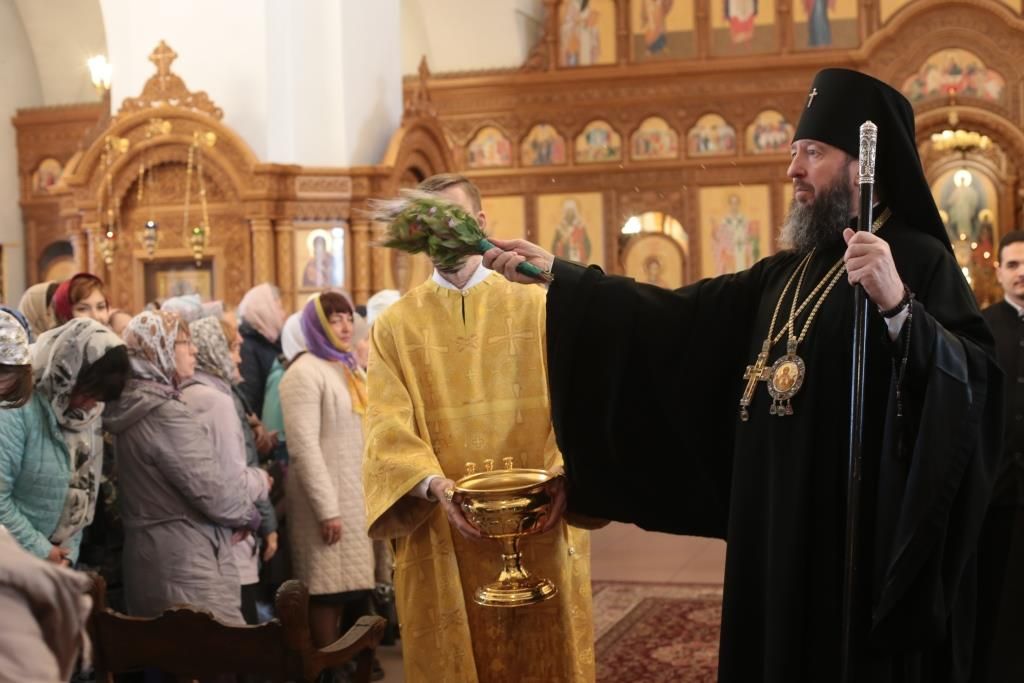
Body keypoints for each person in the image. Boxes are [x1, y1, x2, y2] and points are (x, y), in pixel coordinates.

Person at [484, 69, 1000, 682]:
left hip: (853, 540)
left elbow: (973, 387)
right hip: (773, 521)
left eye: (813, 152)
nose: (793, 169)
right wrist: (562, 276)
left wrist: (897, 308)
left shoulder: (917, 258)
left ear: (864, 166)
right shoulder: (787, 272)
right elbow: (678, 318)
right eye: (794, 152)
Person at [364, 173, 594, 683]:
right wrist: (436, 487)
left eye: (454, 220)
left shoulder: (537, 305)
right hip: (444, 526)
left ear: (481, 222)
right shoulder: (395, 326)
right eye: (429, 225)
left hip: (540, 518)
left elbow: (576, 400)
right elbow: (384, 426)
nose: (442, 236)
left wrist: (563, 475)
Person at [104, 311, 260, 624]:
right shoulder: (164, 412)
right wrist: (249, 514)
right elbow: (211, 488)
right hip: (186, 561)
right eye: (184, 342)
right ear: (155, 350)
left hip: (152, 555)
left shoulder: (134, 402)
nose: (194, 350)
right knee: (214, 647)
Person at [280, 292, 374, 654]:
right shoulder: (303, 373)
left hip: (353, 495)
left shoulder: (346, 366)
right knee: (325, 591)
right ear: (317, 326)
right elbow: (303, 447)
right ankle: (324, 667)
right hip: (326, 500)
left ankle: (346, 665)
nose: (346, 326)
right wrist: (327, 509)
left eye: (348, 318)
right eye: (334, 320)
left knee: (350, 590)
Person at [0, 318, 128, 566]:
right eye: (88, 394)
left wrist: (68, 552)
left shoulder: (86, 415)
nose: (91, 405)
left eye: (99, 398)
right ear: (68, 375)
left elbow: (83, 491)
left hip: (59, 559)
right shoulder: (17, 407)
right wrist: (41, 550)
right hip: (15, 561)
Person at [182, 315, 273, 625]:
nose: (239, 358)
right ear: (214, 350)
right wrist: (262, 481)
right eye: (233, 348)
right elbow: (232, 478)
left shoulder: (202, 393)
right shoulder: (214, 401)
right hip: (227, 536)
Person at [974, 230, 1024, 681]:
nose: (1021, 273)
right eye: (1013, 265)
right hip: (998, 487)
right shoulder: (981, 326)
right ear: (999, 272)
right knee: (996, 591)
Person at [237, 283, 286, 417]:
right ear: (265, 311)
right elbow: (249, 397)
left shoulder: (272, 339)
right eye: (279, 308)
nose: (283, 314)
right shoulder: (246, 346)